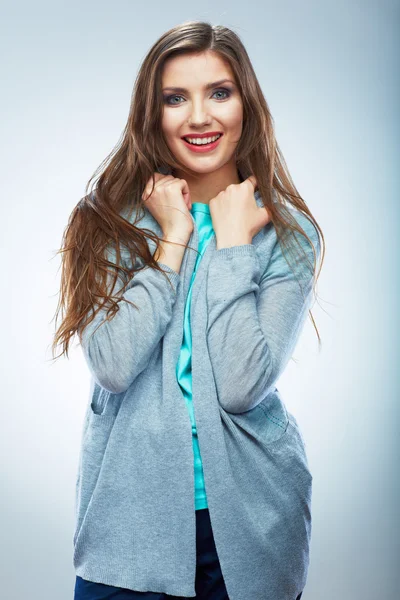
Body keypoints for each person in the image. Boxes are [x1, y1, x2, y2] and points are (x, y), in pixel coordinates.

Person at [52, 20, 324, 600]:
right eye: (176, 98)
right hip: (129, 525)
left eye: (219, 93)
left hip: (252, 524)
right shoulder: (107, 224)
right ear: (152, 115)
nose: (199, 117)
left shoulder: (289, 235)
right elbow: (114, 364)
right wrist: (173, 238)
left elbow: (240, 384)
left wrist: (231, 246)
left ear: (246, 105)